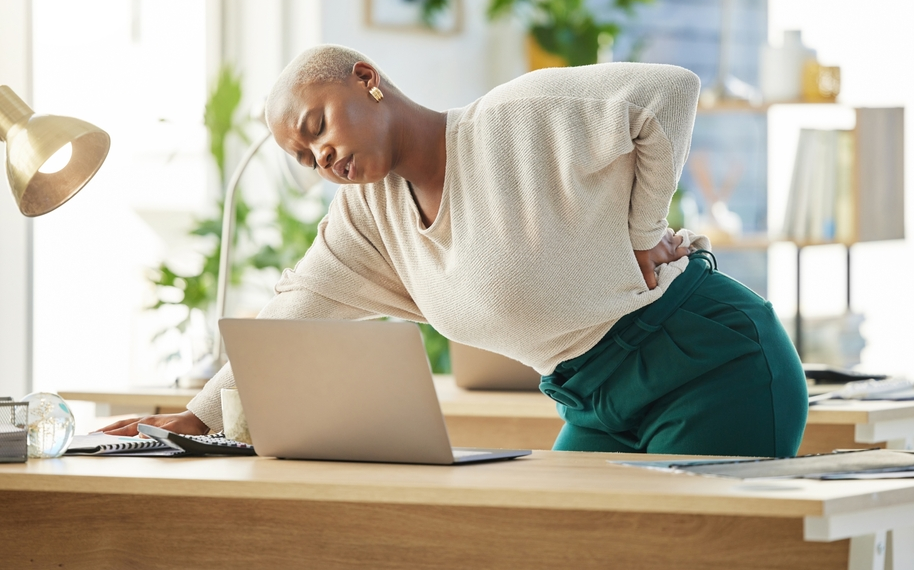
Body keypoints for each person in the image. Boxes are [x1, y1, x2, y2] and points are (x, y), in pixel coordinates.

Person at [102, 45, 808, 456]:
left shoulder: (515, 120)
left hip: (712, 363)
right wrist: (196, 417)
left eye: (317, 126)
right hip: (591, 397)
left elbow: (665, 94)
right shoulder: (368, 220)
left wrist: (643, 231)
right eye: (305, 156)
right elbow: (292, 311)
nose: (321, 156)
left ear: (367, 79)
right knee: (548, 545)